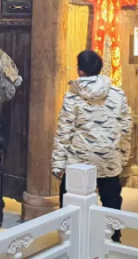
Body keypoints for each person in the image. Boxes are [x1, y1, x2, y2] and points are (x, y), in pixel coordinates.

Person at [52, 50, 133, 242]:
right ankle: (112, 241)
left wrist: (58, 164)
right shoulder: (117, 94)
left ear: (80, 71)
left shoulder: (73, 96)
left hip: (79, 162)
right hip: (109, 159)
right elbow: (126, 128)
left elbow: (64, 132)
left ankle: (72, 240)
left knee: (71, 202)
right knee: (111, 202)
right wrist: (122, 156)